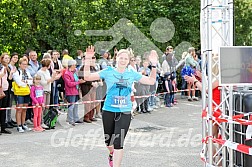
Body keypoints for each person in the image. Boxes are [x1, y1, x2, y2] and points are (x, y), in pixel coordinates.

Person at [84, 46, 158, 167]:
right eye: (121, 58)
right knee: (109, 142)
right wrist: (87, 60)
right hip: (108, 110)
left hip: (124, 112)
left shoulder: (132, 73)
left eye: (125, 58)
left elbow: (151, 81)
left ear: (128, 60)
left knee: (118, 142)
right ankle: (111, 153)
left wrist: (153, 65)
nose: (123, 60)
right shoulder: (108, 71)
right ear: (116, 58)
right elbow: (87, 77)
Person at [12, 58, 33, 133]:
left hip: (26, 92)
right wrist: (26, 82)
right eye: (23, 64)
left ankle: (23, 123)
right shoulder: (16, 72)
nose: (25, 66)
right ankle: (19, 125)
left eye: (26, 64)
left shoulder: (27, 72)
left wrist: (25, 81)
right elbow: (19, 83)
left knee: (25, 108)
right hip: (19, 93)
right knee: (19, 109)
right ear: (20, 64)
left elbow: (31, 81)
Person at [64, 60, 85, 126]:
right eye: (74, 65)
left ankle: (76, 118)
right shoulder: (66, 73)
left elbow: (76, 80)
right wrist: (79, 82)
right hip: (70, 92)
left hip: (76, 91)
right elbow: (69, 84)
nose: (75, 66)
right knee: (71, 106)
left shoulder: (74, 72)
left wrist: (79, 81)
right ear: (72, 65)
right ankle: (70, 119)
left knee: (76, 105)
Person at [0, 53, 12, 134]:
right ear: (2, 59)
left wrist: (10, 73)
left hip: (6, 89)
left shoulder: (7, 68)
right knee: (0, 109)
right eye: (6, 58)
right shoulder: (1, 67)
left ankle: (3, 127)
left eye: (8, 58)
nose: (7, 59)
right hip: (1, 90)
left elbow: (9, 79)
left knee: (4, 109)